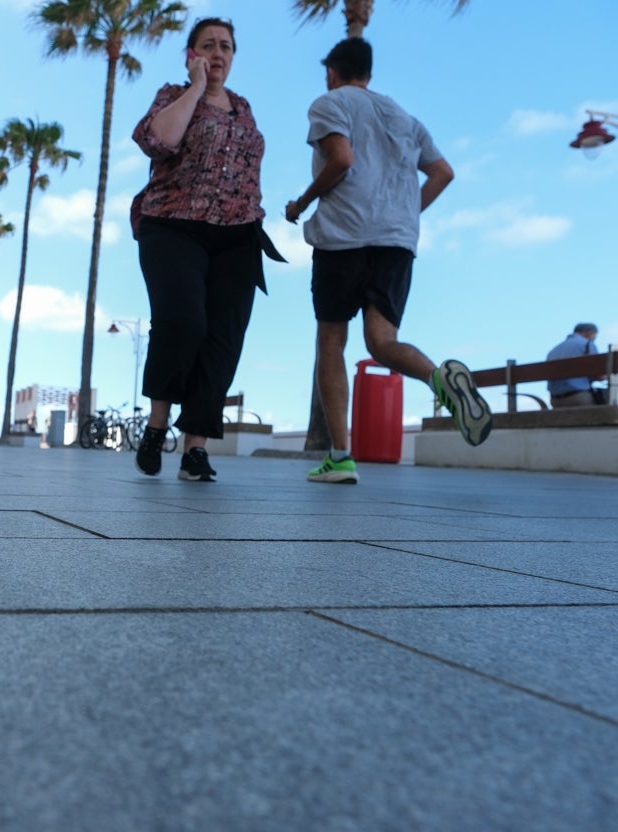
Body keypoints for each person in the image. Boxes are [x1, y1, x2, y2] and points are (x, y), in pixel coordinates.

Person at [284, 37, 492, 485]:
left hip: (343, 240)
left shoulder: (329, 102)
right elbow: (443, 173)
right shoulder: (405, 118)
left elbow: (340, 157)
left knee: (331, 343)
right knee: (381, 340)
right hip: (396, 244)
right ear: (369, 74)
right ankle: (438, 379)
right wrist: (404, 214)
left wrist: (301, 203)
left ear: (332, 72)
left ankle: (340, 457)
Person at [129, 16, 284, 482]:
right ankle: (158, 423)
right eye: (208, 46)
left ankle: (195, 448)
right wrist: (195, 88)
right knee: (184, 322)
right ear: (191, 54)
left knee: (223, 339)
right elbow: (160, 140)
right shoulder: (171, 96)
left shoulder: (244, 107)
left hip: (237, 234)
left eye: (226, 47)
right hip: (174, 225)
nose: (219, 54)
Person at [546, 322, 605, 407]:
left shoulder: (554, 350)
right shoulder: (587, 345)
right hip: (579, 397)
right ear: (590, 332)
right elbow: (599, 375)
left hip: (555, 400)